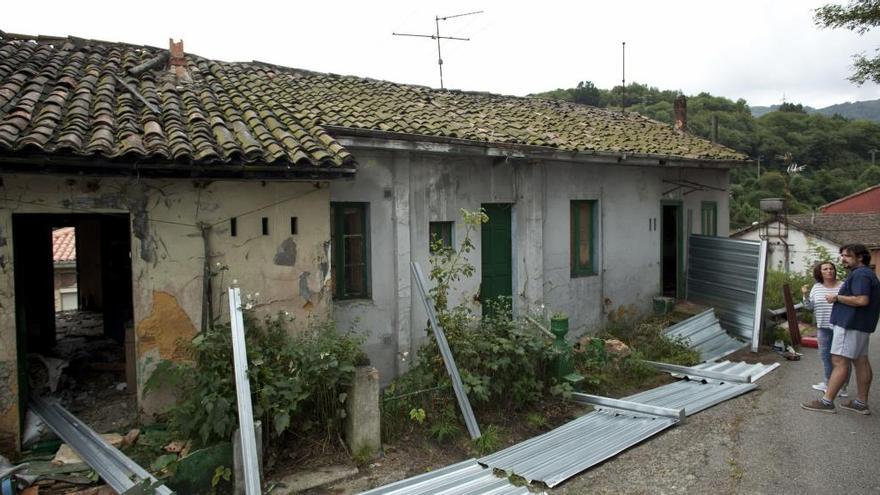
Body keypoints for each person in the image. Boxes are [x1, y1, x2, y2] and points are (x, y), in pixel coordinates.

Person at [802, 244, 880, 415]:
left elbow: (861, 300)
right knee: (861, 361)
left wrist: (837, 297)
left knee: (839, 361)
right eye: (842, 255)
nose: (842, 259)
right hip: (860, 325)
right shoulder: (865, 274)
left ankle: (827, 401)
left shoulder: (860, 274)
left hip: (850, 325)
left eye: (847, 256)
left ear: (860, 257)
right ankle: (861, 403)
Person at [802, 261, 848, 397]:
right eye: (825, 269)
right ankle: (828, 382)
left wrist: (837, 299)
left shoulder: (843, 285)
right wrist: (804, 295)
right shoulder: (816, 287)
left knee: (842, 358)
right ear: (820, 272)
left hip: (840, 326)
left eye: (831, 268)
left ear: (835, 271)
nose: (829, 271)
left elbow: (850, 302)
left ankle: (843, 387)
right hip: (823, 326)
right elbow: (809, 307)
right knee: (826, 356)